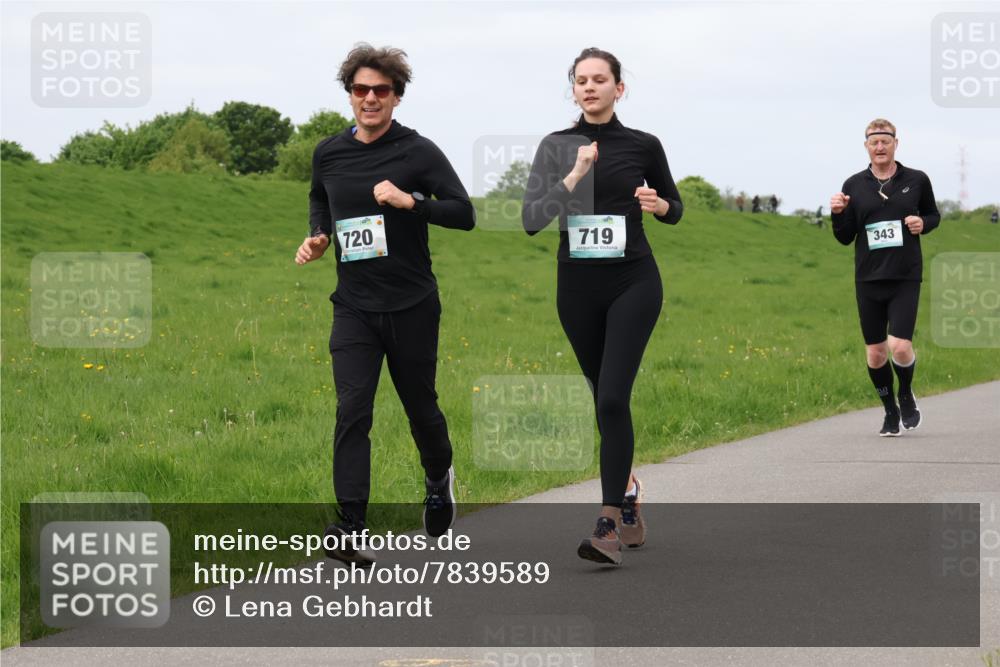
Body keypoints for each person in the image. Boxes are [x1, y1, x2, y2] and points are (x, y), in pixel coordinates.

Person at [295, 43, 475, 564]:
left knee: (421, 408)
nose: (370, 98)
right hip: (353, 305)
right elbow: (317, 197)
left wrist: (410, 202)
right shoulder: (329, 151)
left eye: (381, 90)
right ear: (349, 95)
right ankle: (351, 526)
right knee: (352, 410)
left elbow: (464, 213)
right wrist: (319, 235)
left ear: (396, 97)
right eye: (360, 90)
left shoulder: (418, 152)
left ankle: (438, 479)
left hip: (412, 304)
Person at [522, 47, 683, 565]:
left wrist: (658, 205)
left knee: (613, 398)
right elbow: (531, 219)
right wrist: (574, 173)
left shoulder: (643, 144)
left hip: (633, 281)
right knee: (602, 399)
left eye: (600, 79)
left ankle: (607, 522)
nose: (589, 87)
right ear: (573, 90)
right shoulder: (556, 146)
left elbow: (674, 208)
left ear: (619, 87)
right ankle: (630, 488)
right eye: (581, 80)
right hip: (577, 288)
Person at [829, 118, 940, 437]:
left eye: (885, 141)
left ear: (895, 143)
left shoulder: (917, 179)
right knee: (876, 353)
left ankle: (905, 394)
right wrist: (837, 215)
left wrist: (923, 223)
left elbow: (933, 214)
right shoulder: (854, 185)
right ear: (866, 146)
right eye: (873, 142)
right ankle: (889, 409)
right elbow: (844, 236)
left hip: (905, 275)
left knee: (900, 346)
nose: (880, 147)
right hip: (868, 278)